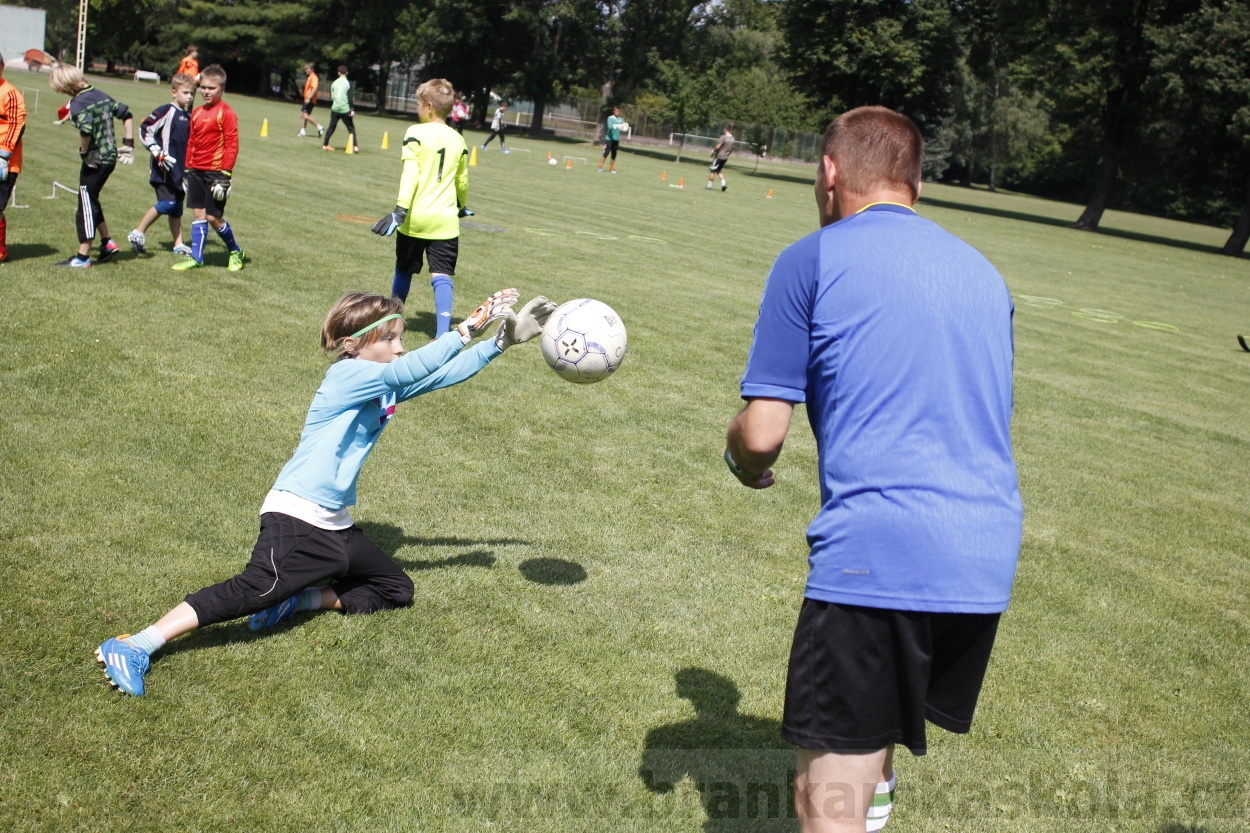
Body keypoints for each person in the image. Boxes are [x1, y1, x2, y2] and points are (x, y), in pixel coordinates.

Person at [724, 106, 1022, 833]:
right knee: (872, 739)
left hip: (877, 551)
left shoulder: (812, 257)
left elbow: (762, 435)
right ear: (916, 181)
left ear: (830, 173)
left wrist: (737, 458)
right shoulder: (986, 273)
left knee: (826, 795)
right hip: (983, 553)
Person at [95, 288, 558, 697]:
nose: (401, 347)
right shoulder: (346, 377)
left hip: (334, 522)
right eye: (391, 339)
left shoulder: (380, 382)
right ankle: (137, 643)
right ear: (354, 345)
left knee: (395, 588)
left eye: (401, 338)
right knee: (255, 587)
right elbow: (423, 363)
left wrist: (500, 343)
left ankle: (297, 600)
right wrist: (473, 324)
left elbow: (439, 375)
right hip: (298, 514)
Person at [372, 78, 471, 338]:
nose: (416, 107)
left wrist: (400, 209)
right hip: (445, 222)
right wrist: (461, 206)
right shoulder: (459, 140)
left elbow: (411, 172)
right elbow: (462, 181)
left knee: (404, 269)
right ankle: (442, 334)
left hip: (415, 218)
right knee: (442, 275)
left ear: (428, 106)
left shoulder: (415, 132)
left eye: (418, 102)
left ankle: (393, 324)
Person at [49, 65, 135, 268]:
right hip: (110, 157)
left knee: (85, 203)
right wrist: (128, 144)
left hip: (96, 160)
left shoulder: (78, 103)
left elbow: (86, 128)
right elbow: (126, 113)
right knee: (91, 198)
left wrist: (84, 152)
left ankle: (83, 256)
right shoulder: (100, 94)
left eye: (61, 89)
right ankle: (107, 242)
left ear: (67, 85)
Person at [172, 64, 244, 272]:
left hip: (216, 173)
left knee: (213, 217)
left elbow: (232, 144)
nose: (205, 92)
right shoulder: (195, 112)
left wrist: (225, 175)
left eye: (211, 88)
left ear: (222, 89)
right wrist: (187, 171)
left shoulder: (226, 113)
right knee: (198, 215)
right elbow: (191, 142)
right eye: (202, 87)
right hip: (195, 170)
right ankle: (197, 258)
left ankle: (235, 251)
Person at [128, 73, 195, 256]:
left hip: (181, 172)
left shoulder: (190, 116)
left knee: (176, 209)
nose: (190, 96)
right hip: (164, 170)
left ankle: (178, 244)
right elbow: (145, 130)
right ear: (174, 92)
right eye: (185, 92)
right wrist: (157, 152)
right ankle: (137, 232)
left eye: (192, 93)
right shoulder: (166, 111)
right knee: (167, 203)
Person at [0, 54, 27, 264]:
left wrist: (3, 155)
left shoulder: (10, 94)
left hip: (5, 162)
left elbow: (18, 126)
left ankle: (0, 252)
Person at [322, 66, 359, 152]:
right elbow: (350, 98)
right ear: (347, 73)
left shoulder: (334, 83)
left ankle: (325, 144)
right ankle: (355, 146)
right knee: (351, 128)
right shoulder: (348, 83)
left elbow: (332, 96)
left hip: (335, 108)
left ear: (338, 73)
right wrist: (352, 108)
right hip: (345, 108)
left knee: (331, 127)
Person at [297, 63, 323, 138]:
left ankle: (319, 127)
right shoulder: (310, 77)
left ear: (312, 69)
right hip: (307, 98)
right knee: (303, 115)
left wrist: (309, 97)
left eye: (307, 69)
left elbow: (315, 88)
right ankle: (303, 131)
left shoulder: (314, 77)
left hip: (310, 99)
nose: (306, 71)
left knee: (305, 115)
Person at [598, 106, 626, 173]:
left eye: (618, 111)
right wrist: (618, 126)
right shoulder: (610, 118)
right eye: (616, 111)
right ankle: (600, 166)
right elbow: (610, 126)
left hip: (616, 139)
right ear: (613, 111)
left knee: (614, 154)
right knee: (606, 153)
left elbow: (623, 128)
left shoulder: (621, 119)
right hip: (609, 139)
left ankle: (611, 168)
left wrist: (625, 127)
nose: (617, 112)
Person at [707, 125, 734, 191]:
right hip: (725, 157)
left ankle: (709, 186)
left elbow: (718, 146)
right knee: (719, 170)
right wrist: (729, 153)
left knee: (712, 170)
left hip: (719, 156)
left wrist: (713, 151)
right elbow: (731, 149)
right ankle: (723, 184)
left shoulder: (723, 137)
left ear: (725, 129)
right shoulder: (733, 138)